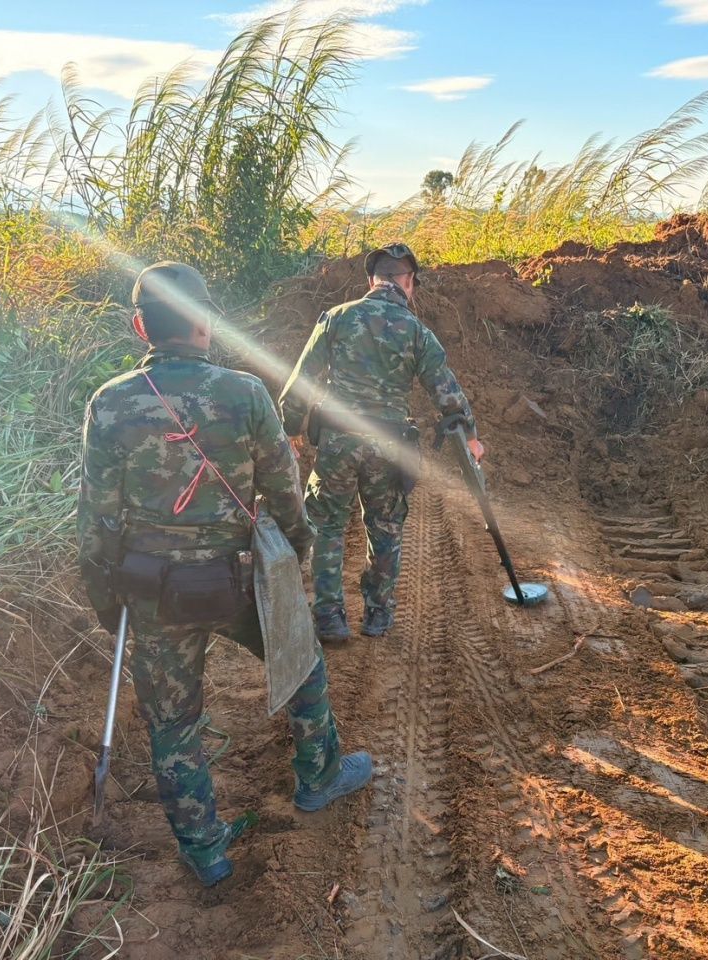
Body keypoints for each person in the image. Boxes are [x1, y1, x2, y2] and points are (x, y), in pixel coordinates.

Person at [76, 261, 372, 887]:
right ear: (206, 323)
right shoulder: (245, 395)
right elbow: (285, 493)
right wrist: (294, 553)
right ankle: (319, 777)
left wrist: (108, 599)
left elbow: (97, 520)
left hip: (152, 590)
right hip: (237, 582)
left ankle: (205, 851)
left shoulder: (110, 404)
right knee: (302, 662)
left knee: (172, 721)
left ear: (140, 327)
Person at [278, 243, 484, 642]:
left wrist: (290, 427)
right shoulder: (418, 332)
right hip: (388, 446)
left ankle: (329, 618)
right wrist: (471, 438)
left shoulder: (337, 318)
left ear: (371, 280)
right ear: (409, 284)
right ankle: (377, 615)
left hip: (338, 442)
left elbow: (301, 380)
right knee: (385, 528)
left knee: (327, 526)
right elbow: (448, 395)